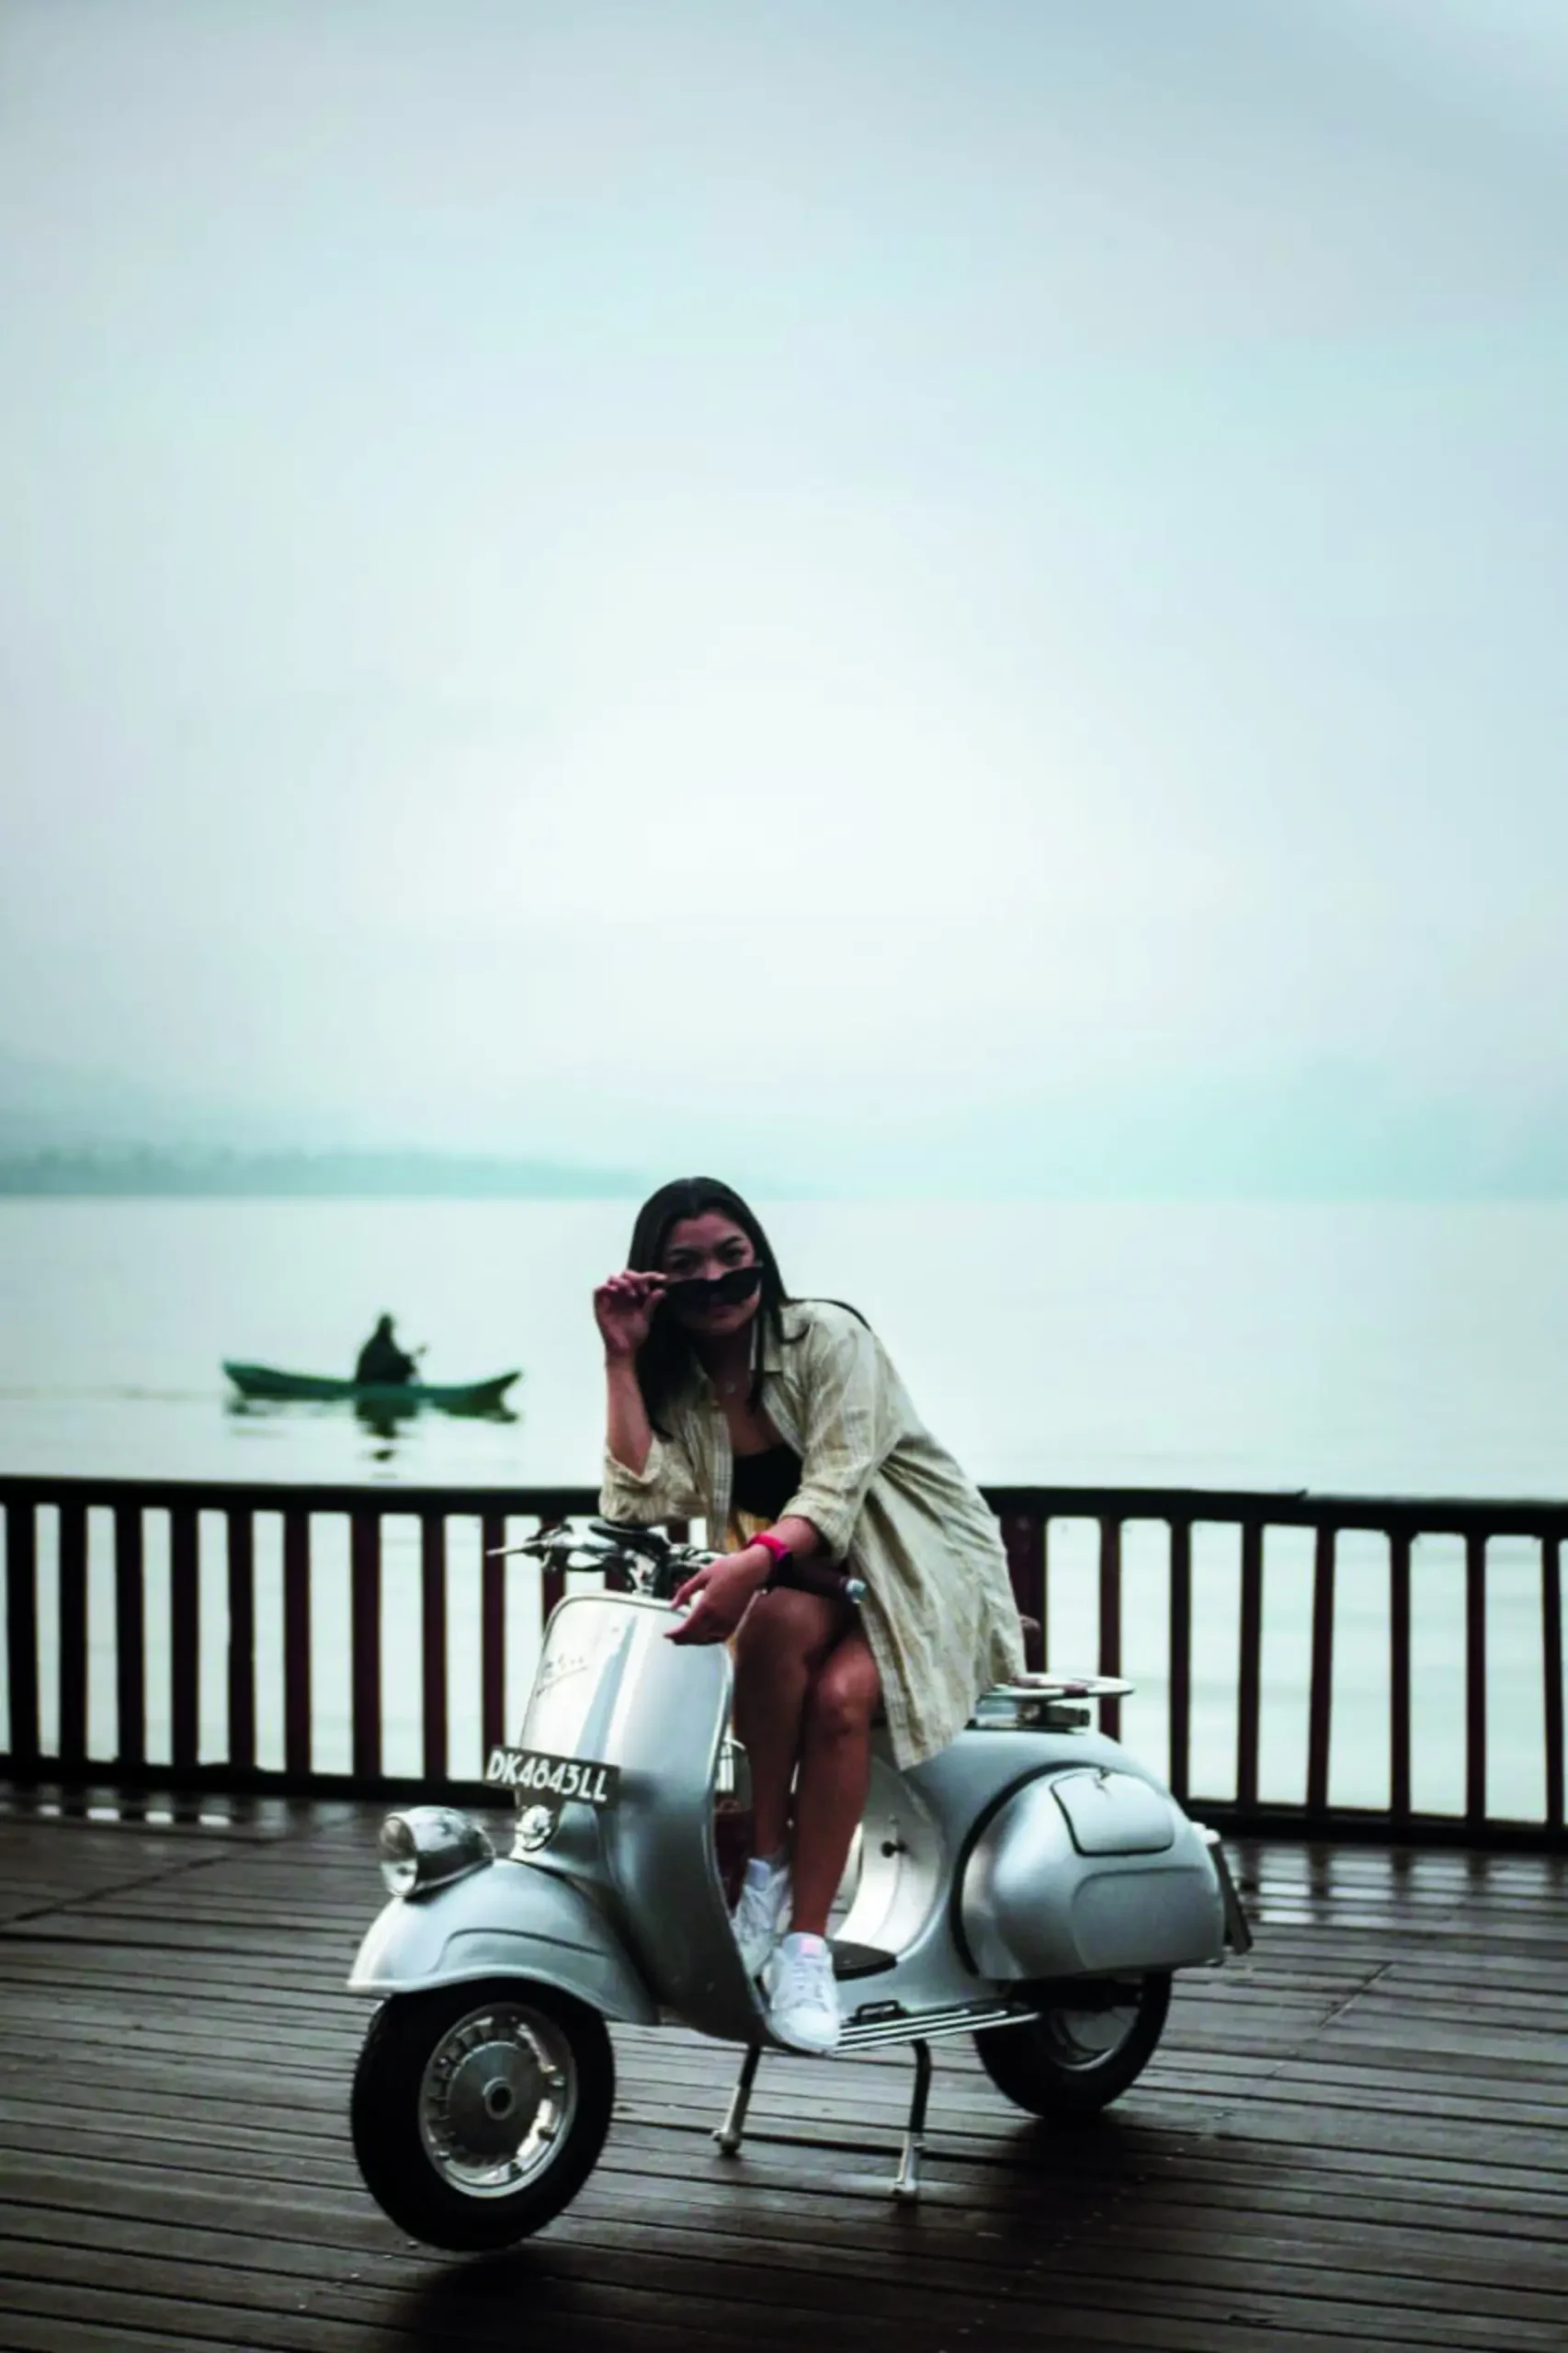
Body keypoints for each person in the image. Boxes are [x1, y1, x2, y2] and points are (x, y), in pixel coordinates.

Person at [595, 1176, 1026, 2056]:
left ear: (760, 1255)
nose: (716, 1280)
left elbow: (834, 1487)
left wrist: (750, 1563)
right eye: (686, 1266)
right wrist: (619, 1358)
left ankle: (804, 1945)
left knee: (837, 1702)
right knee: (771, 1630)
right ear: (656, 1281)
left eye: (732, 1257)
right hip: (813, 1578)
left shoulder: (828, 1337)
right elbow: (639, 1499)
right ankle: (765, 1871)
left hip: (918, 1567)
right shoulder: (681, 1379)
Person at [354, 1314, 417, 1387]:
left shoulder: (388, 1344)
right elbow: (387, 1361)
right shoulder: (375, 1345)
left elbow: (395, 1358)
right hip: (372, 1381)